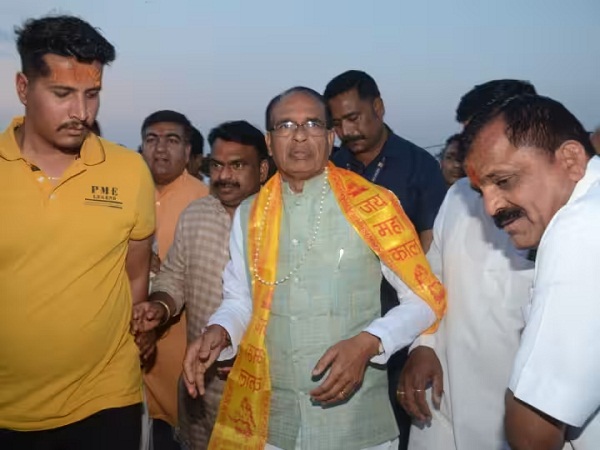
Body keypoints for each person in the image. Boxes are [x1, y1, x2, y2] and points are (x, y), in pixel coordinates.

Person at [179, 86, 446, 450]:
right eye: (286, 125)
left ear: (331, 136)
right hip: (273, 424)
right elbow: (240, 298)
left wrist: (370, 342)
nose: (300, 136)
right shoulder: (250, 214)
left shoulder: (373, 205)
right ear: (270, 142)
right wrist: (220, 330)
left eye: (313, 124)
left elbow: (424, 299)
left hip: (356, 426)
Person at [0, 15, 155, 450]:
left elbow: (135, 275)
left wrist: (141, 326)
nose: (81, 113)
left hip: (105, 400)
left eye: (92, 94)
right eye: (62, 94)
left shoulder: (129, 171)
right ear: (23, 88)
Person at [400, 80, 538, 450]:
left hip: (522, 406)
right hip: (445, 392)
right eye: (466, 139)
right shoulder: (459, 195)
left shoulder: (558, 203)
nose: (469, 150)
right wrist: (423, 345)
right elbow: (431, 278)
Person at [462, 94, 600, 449]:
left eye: (504, 181)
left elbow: (532, 432)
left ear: (570, 160)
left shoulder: (579, 227)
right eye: (480, 191)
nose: (491, 208)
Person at [324, 70, 447, 449]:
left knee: (396, 424)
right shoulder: (333, 168)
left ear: (378, 107)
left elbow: (431, 252)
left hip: (400, 322)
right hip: (340, 325)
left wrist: (423, 340)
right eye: (337, 124)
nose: (347, 131)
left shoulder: (418, 166)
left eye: (353, 118)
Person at [132, 120, 270, 449]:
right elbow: (174, 277)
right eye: (217, 165)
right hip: (201, 390)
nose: (224, 175)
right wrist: (160, 306)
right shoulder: (196, 214)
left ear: (263, 169)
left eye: (237, 165)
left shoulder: (280, 220)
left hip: (263, 391)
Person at [140, 110, 209, 449]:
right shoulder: (128, 193)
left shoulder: (205, 202)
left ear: (187, 150)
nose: (161, 149)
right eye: (152, 139)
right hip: (130, 354)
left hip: (181, 351)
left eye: (172, 140)